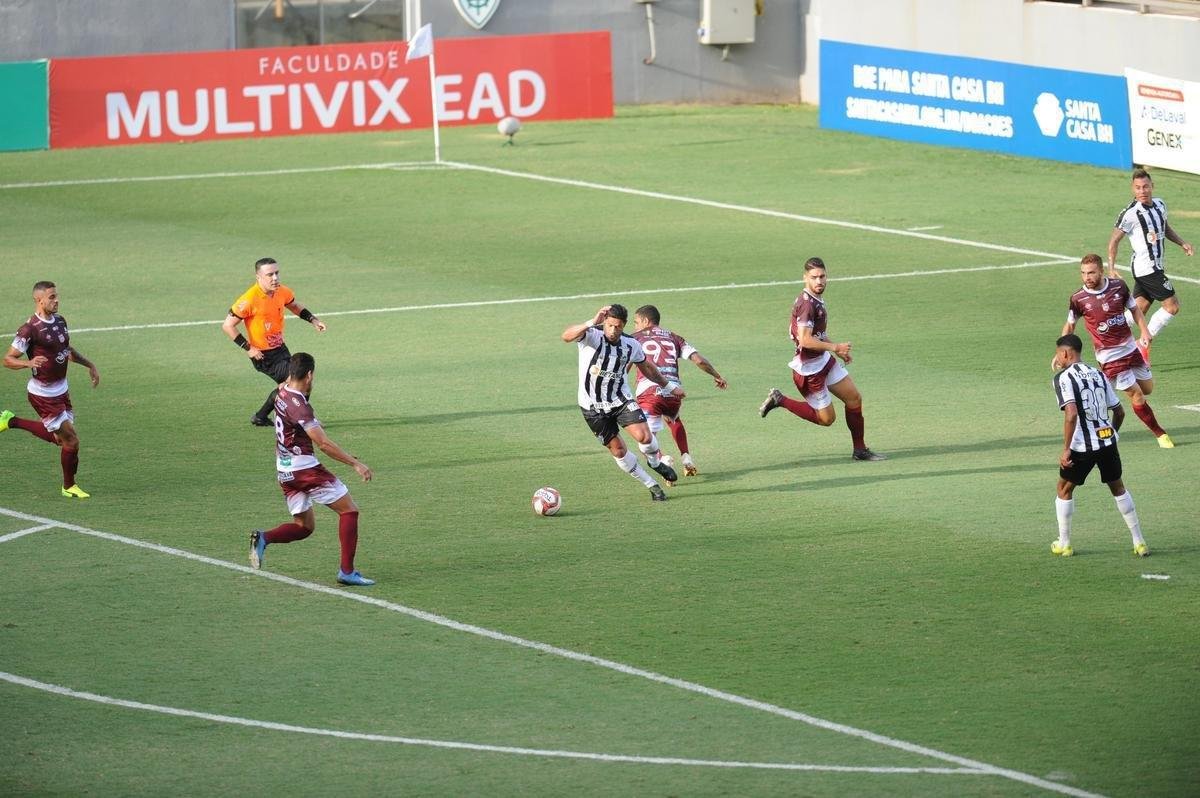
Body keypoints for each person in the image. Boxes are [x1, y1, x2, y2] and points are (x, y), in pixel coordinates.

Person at [249, 352, 375, 585]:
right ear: (309, 375)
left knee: (304, 527)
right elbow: (324, 444)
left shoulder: (281, 393)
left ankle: (264, 538)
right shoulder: (300, 407)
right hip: (304, 469)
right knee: (349, 511)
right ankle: (347, 572)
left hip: (284, 471)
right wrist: (355, 463)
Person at [758, 257, 885, 461]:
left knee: (854, 398)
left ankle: (860, 450)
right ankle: (780, 400)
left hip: (823, 360)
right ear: (805, 278)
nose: (819, 281)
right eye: (814, 277)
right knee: (827, 419)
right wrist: (835, 346)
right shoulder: (806, 305)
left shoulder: (816, 299)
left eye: (822, 276)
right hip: (809, 371)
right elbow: (806, 340)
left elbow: (817, 335)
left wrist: (835, 351)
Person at [562, 304, 684, 501]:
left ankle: (654, 462)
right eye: (609, 325)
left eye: (617, 327)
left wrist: (669, 387)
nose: (612, 330)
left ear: (624, 325)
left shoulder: (631, 344)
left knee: (644, 437)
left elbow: (647, 368)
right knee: (619, 450)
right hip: (592, 407)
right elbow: (566, 336)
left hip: (620, 400)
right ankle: (651, 485)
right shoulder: (591, 334)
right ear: (605, 322)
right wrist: (592, 322)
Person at [1050, 334, 1149, 558]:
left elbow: (1072, 413)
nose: (1057, 359)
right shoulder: (1098, 373)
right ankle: (1139, 541)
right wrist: (1112, 433)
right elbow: (1119, 410)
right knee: (1118, 488)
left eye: (1058, 354)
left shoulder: (1063, 378)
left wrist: (1066, 449)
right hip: (1107, 442)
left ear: (1065, 353)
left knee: (1064, 489)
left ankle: (1064, 543)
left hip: (1081, 447)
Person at [1, 281, 100, 498]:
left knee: (60, 439)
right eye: (52, 297)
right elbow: (7, 360)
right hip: (43, 394)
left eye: (57, 296)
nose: (56, 300)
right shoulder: (29, 330)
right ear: (39, 300)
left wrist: (89, 365)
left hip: (61, 390)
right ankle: (68, 486)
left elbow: (67, 350)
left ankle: (11, 421)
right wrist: (28, 363)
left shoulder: (61, 321)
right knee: (72, 441)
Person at [1062, 253, 1172, 448]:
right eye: (1083, 273)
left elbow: (1135, 309)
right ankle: (1160, 434)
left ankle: (1100, 403)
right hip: (1109, 357)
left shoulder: (1118, 286)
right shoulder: (1078, 298)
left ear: (1101, 271)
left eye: (1091, 273)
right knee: (1136, 394)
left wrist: (1144, 332)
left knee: (1148, 389)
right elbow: (1070, 325)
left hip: (1131, 348)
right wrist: (1061, 350)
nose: (1087, 277)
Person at [222, 257, 326, 427]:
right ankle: (305, 419)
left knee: (286, 387)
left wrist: (313, 320)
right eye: (270, 274)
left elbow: (294, 306)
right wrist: (249, 348)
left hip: (280, 348)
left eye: (277, 273)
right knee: (300, 380)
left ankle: (261, 416)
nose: (275, 278)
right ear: (258, 277)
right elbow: (227, 326)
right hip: (263, 354)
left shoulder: (281, 291)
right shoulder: (248, 300)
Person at [1107, 168, 1194, 365]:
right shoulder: (1129, 214)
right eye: (1138, 188)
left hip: (1153, 268)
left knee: (1139, 309)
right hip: (1147, 269)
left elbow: (1164, 227)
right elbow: (1113, 242)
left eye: (1145, 186)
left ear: (1152, 186)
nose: (1142, 191)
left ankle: (1109, 332)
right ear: (1133, 189)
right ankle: (1143, 342)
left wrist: (1182, 242)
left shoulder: (1160, 205)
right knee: (1172, 306)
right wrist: (1111, 268)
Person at [630, 305, 727, 477]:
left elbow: (625, 364)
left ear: (645, 321)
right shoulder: (675, 337)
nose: (635, 327)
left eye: (636, 322)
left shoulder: (635, 338)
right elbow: (698, 360)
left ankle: (663, 460)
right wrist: (717, 375)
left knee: (644, 440)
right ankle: (686, 458)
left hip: (649, 391)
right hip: (674, 392)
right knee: (673, 419)